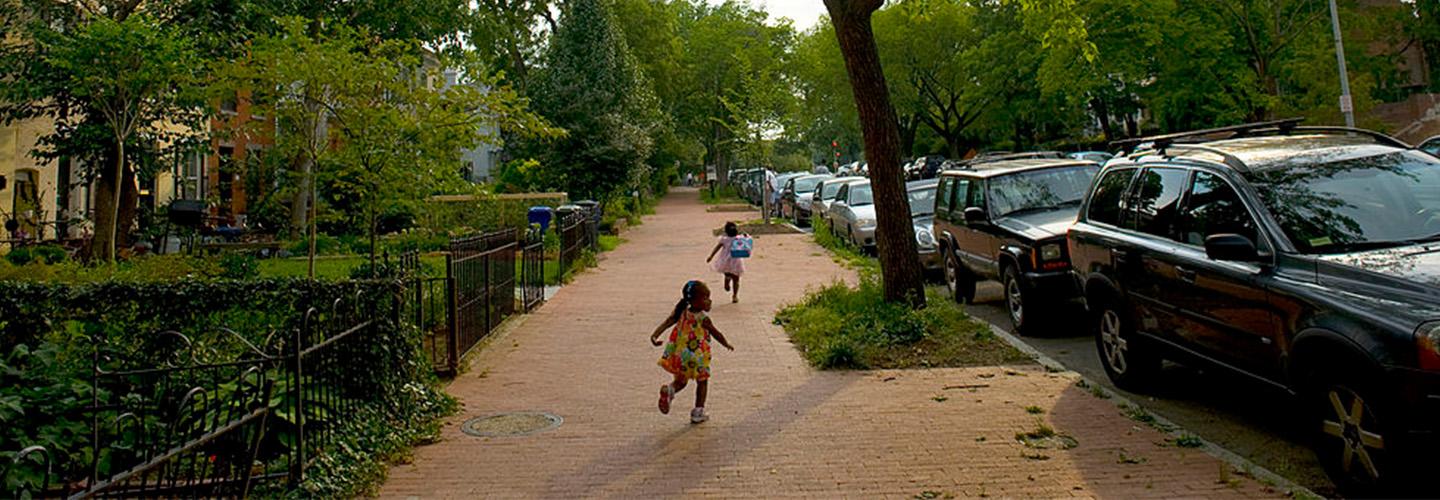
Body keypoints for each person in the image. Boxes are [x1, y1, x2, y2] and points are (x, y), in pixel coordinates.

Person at [651, 280, 734, 423]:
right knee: (702, 381)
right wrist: (726, 343)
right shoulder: (702, 317)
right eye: (706, 298)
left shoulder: (682, 311)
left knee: (681, 381)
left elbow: (667, 322)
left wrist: (654, 335)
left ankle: (670, 390)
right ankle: (698, 411)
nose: (710, 301)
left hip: (680, 355)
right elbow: (716, 333)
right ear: (695, 301)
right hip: (697, 357)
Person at [706, 222, 746, 303]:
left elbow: (717, 248)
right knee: (736, 279)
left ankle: (729, 285)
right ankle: (734, 295)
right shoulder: (737, 238)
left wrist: (711, 256)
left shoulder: (725, 239)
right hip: (735, 260)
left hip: (727, 260)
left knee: (731, 276)